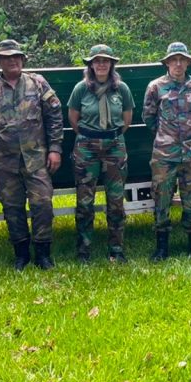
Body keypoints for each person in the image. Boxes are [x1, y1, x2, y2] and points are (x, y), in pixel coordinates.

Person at [0, 39, 63, 271]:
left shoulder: (38, 83)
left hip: (36, 159)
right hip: (4, 162)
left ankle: (43, 254)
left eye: (16, 57)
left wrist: (55, 149)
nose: (12, 60)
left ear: (22, 60)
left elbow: (54, 116)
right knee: (12, 208)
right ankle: (21, 254)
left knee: (42, 204)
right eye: (6, 57)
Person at [142, 42, 191, 260]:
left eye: (182, 60)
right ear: (168, 62)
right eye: (174, 60)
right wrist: (167, 137)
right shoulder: (155, 87)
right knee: (161, 199)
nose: (178, 64)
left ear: (188, 62)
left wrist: (189, 137)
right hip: (164, 155)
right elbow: (149, 117)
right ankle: (162, 247)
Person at [68, 44, 135, 263]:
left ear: (112, 64)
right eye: (97, 61)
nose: (101, 64)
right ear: (91, 65)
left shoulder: (121, 89)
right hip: (86, 148)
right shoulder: (81, 89)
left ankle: (116, 249)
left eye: (105, 61)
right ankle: (83, 250)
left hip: (114, 147)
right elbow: (73, 119)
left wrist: (109, 136)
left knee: (116, 201)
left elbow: (127, 120)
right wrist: (92, 136)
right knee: (85, 202)